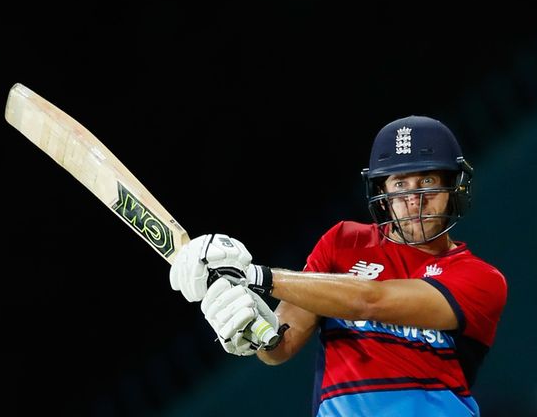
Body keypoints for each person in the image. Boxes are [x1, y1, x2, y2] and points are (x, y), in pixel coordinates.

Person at [169, 115, 508, 416]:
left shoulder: (481, 279)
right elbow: (281, 345)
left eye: (428, 183)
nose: (413, 199)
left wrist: (255, 275)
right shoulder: (343, 242)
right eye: (400, 184)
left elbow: (372, 300)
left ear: (453, 188)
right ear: (382, 192)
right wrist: (256, 332)